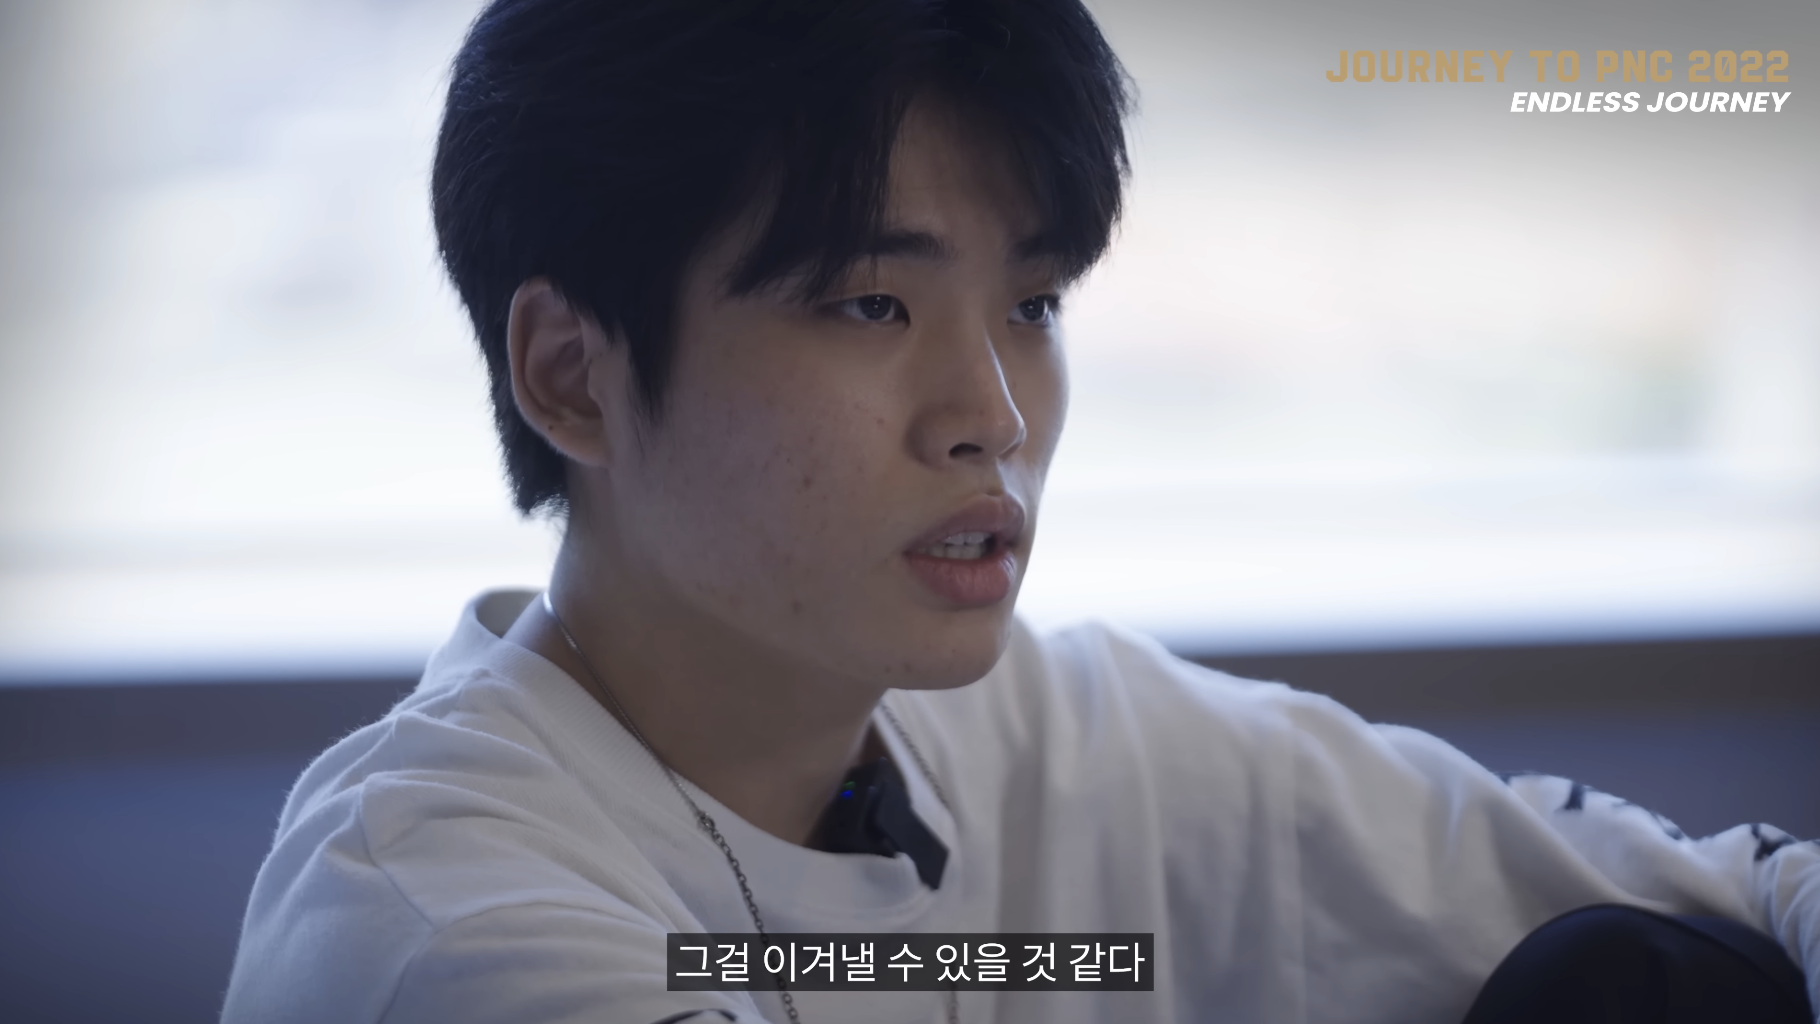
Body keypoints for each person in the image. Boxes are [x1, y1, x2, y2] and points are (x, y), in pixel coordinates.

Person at [221, 1, 1819, 1022]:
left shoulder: (1054, 734)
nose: (991, 413)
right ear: (573, 377)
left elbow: (1742, 890)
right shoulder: (442, 919)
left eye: (1034, 304)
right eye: (869, 304)